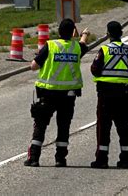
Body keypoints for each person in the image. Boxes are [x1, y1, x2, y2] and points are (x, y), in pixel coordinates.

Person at [24, 19, 90, 167]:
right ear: (73, 32)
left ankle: (34, 158)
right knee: (64, 126)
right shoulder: (77, 48)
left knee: (40, 125)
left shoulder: (51, 45)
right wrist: (84, 34)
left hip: (48, 93)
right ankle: (60, 159)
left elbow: (33, 66)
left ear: (59, 31)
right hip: (68, 95)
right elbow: (83, 43)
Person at [90, 21, 128, 169]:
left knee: (103, 128)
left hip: (106, 94)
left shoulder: (104, 50)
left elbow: (95, 69)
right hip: (125, 94)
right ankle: (125, 160)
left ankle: (102, 159)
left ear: (108, 34)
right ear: (121, 33)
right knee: (123, 126)